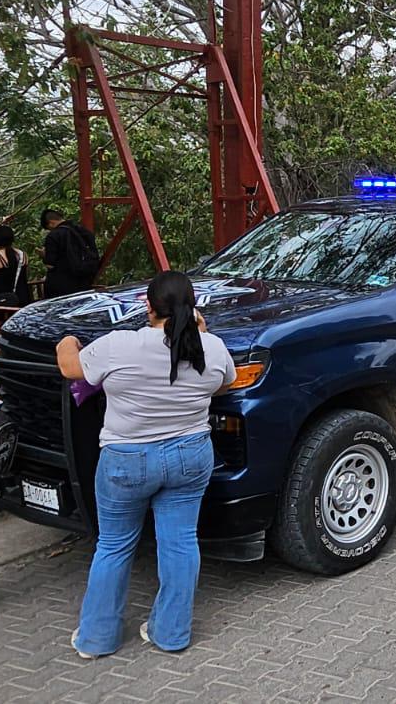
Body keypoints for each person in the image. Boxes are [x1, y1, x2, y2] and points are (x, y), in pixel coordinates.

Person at [57, 271, 234, 657]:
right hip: (190, 455)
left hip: (127, 460)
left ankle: (96, 640)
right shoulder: (213, 348)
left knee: (115, 546)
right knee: (181, 542)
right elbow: (222, 383)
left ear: (147, 306)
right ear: (194, 307)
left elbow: (71, 368)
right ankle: (170, 634)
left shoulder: (120, 345)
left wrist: (68, 341)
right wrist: (201, 333)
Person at [40, 209, 99, 299]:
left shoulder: (54, 236)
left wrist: (44, 255)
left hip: (62, 287)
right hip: (84, 282)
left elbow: (50, 265)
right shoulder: (83, 231)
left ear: (51, 223)